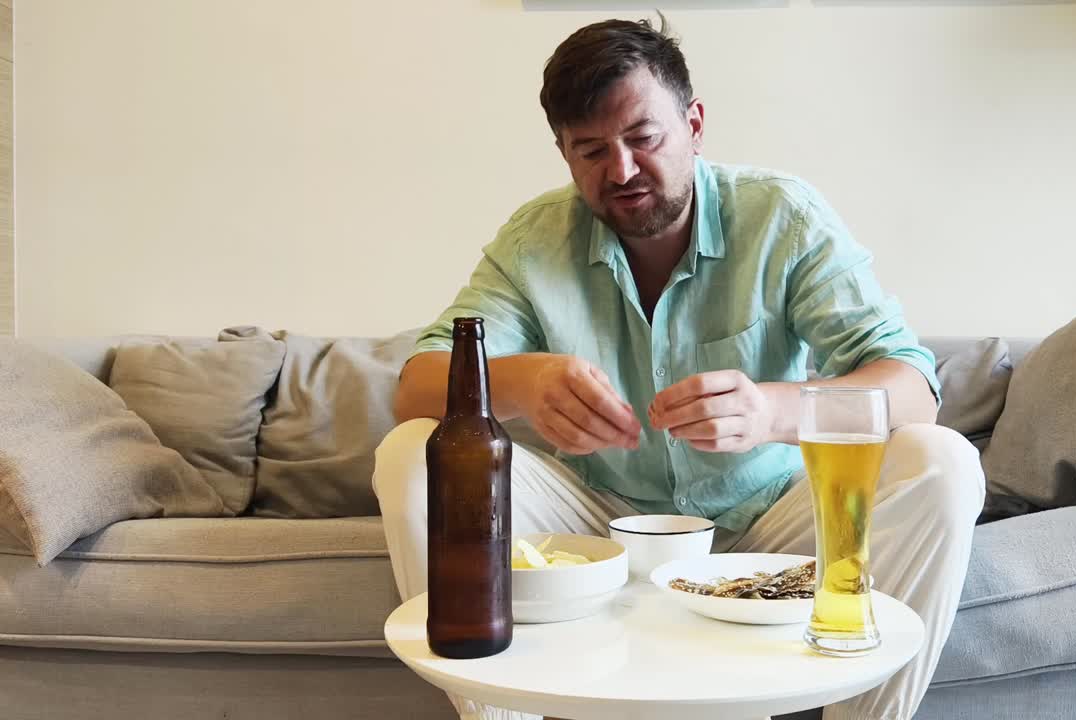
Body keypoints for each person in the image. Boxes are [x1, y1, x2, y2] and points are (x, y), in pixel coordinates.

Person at [373, 15, 984, 720]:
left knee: (941, 460)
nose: (622, 171)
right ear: (564, 155)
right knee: (412, 453)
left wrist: (773, 411)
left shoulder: (783, 215)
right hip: (599, 526)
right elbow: (415, 390)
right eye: (592, 150)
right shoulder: (536, 236)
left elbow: (912, 387)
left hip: (770, 523)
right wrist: (524, 382)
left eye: (643, 138)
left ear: (694, 124)